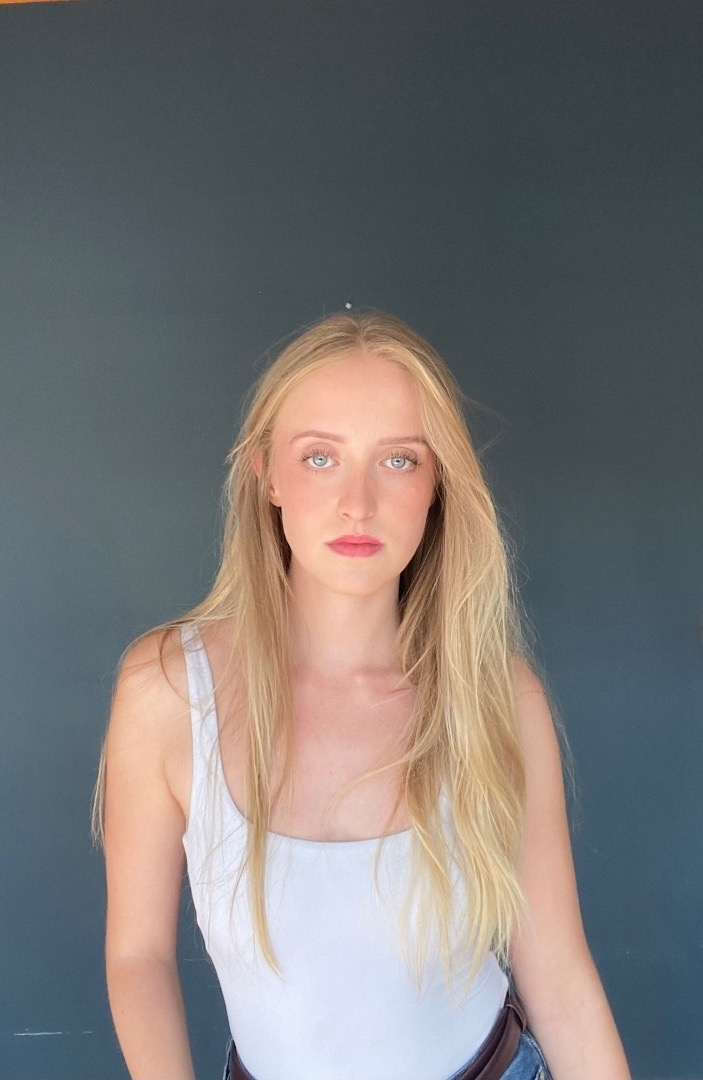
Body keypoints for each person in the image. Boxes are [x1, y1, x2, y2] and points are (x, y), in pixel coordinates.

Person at [93, 310, 631, 1080]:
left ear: (436, 484)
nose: (357, 503)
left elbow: (560, 977)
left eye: (398, 461)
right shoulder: (169, 690)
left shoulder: (497, 696)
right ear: (267, 475)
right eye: (319, 457)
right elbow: (137, 956)